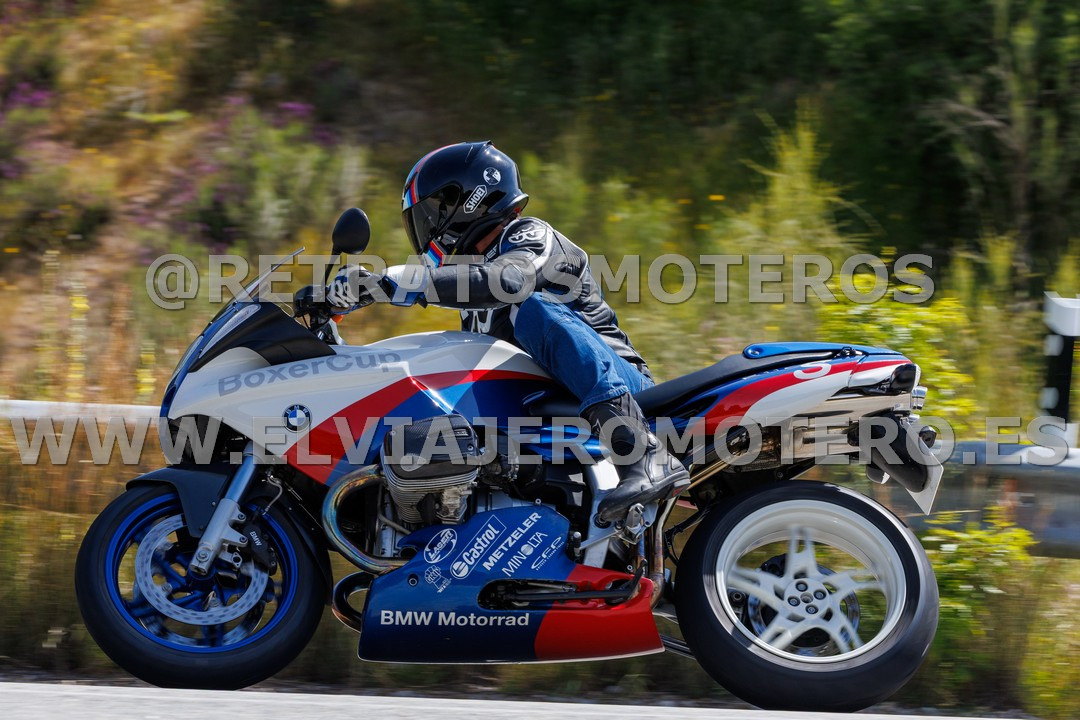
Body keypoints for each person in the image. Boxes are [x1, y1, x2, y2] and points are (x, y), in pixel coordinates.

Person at [325, 141, 688, 524]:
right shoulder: (473, 291)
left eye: (432, 211)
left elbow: (509, 281)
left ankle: (644, 455)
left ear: (468, 200)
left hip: (632, 394)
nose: (426, 226)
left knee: (531, 308)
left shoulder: (528, 235)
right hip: (553, 411)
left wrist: (396, 282)